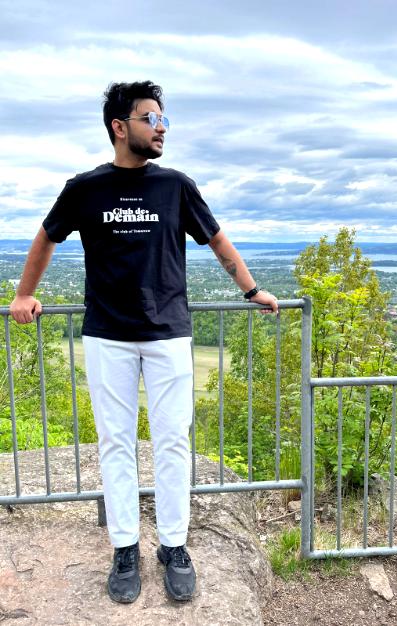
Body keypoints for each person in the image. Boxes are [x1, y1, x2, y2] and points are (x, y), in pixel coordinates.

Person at [9, 81, 278, 604]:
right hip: (107, 334)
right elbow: (46, 236)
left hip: (167, 332)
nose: (161, 129)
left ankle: (174, 546)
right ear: (119, 126)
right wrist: (24, 294)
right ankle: (125, 548)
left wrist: (250, 290)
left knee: (173, 440)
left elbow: (216, 238)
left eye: (163, 119)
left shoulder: (175, 186)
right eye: (150, 118)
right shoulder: (84, 188)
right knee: (115, 442)